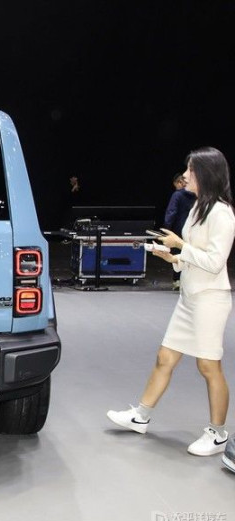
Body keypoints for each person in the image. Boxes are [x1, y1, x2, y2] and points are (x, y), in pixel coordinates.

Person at [107, 147, 235, 458]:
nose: (185, 175)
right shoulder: (197, 208)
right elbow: (194, 255)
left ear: (206, 174)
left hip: (209, 300)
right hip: (189, 298)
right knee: (165, 357)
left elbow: (215, 262)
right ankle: (141, 415)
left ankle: (218, 433)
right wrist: (173, 257)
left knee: (208, 366)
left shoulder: (222, 213)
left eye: (191, 170)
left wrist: (180, 246)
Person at [163, 172, 196, 290]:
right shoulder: (198, 195)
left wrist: (166, 229)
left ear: (179, 182)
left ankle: (177, 281)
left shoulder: (177, 195)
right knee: (193, 253)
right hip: (195, 230)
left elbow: (171, 212)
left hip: (179, 230)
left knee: (178, 254)